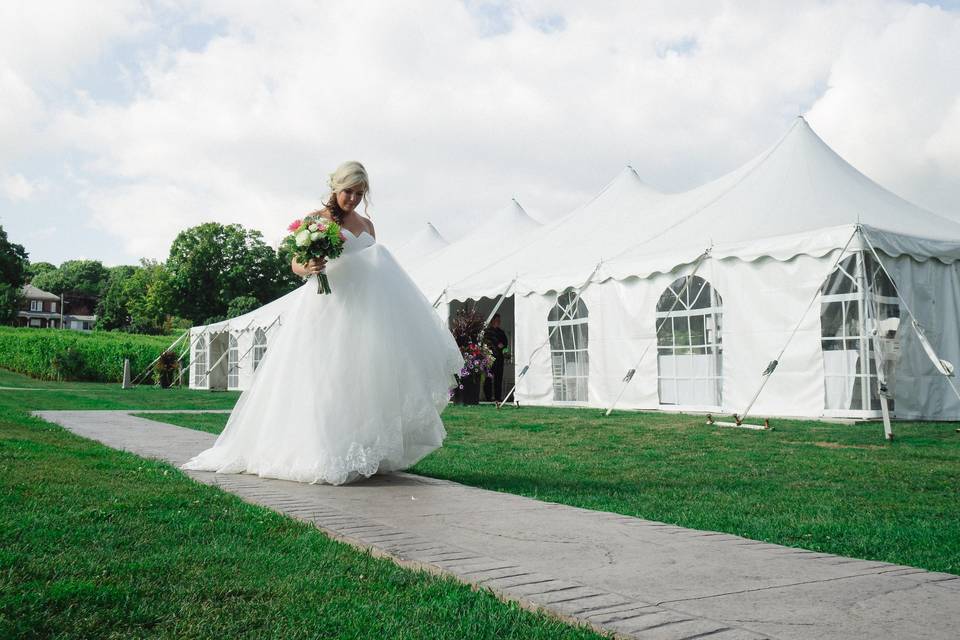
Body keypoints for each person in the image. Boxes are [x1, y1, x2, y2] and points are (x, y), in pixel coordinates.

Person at [182, 161, 463, 485]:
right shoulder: (316, 221)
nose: (354, 199)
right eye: (348, 192)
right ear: (335, 187)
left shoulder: (368, 226)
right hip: (326, 310)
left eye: (360, 194)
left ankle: (363, 451)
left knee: (362, 381)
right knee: (325, 380)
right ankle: (323, 452)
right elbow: (296, 263)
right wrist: (308, 266)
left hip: (364, 316)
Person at [483, 313, 509, 402]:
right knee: (488, 378)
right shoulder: (487, 331)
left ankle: (498, 397)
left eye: (499, 320)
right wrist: (496, 344)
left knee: (498, 378)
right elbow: (486, 342)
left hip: (499, 358)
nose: (499, 322)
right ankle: (488, 397)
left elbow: (505, 343)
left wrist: (504, 347)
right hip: (490, 358)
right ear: (492, 321)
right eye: (497, 320)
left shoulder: (501, 332)